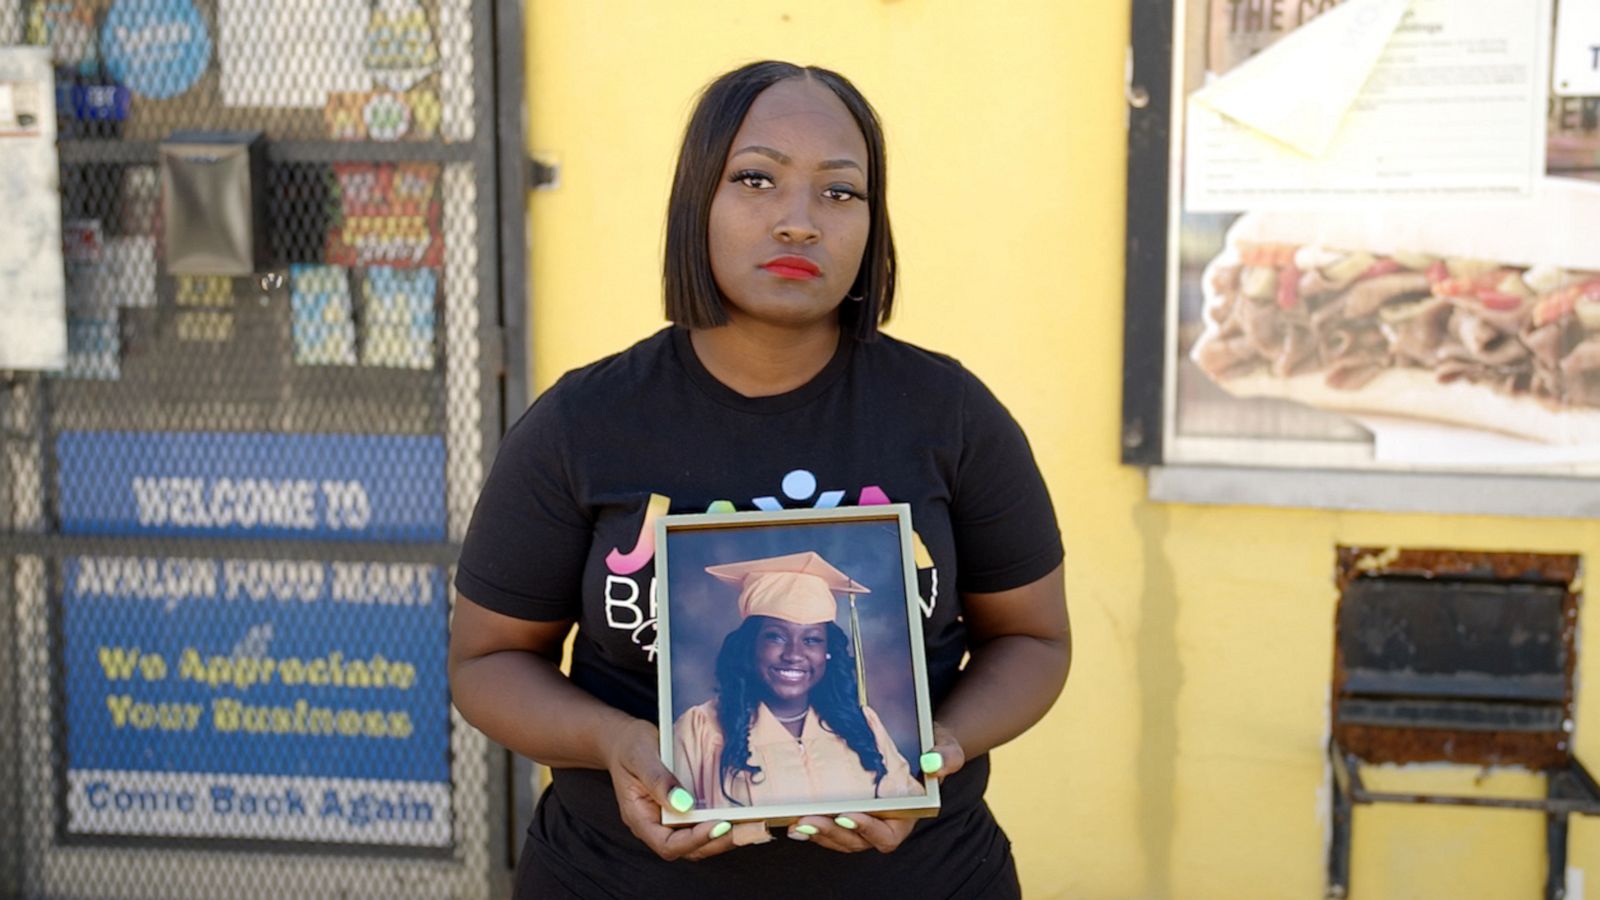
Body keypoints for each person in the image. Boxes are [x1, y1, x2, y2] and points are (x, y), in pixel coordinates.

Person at [449, 59, 1070, 899]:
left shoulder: (949, 414)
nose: (799, 221)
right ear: (696, 199)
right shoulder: (584, 425)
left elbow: (1034, 639)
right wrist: (612, 741)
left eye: (840, 193)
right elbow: (486, 661)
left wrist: (943, 748)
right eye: (756, 179)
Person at [671, 551, 924, 810]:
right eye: (776, 637)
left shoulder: (862, 724)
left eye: (812, 639)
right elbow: (676, 821)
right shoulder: (700, 728)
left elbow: (906, 807)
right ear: (751, 646)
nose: (793, 655)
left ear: (828, 653)